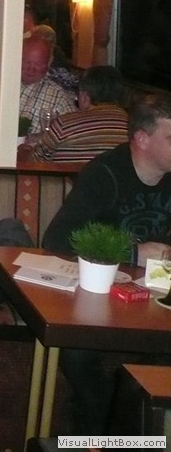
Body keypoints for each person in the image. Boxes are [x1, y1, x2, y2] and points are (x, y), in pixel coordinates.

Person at [42, 94, 171, 435]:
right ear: (142, 139)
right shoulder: (104, 174)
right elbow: (57, 240)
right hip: (96, 299)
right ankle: (103, 433)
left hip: (156, 300)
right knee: (78, 355)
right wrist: (133, 253)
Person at [28, 65, 128, 164]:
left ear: (84, 97)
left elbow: (35, 161)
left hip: (74, 175)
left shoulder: (64, 124)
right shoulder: (130, 125)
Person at [0, 36, 75, 134]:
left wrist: (42, 137)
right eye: (27, 62)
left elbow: (73, 133)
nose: (31, 69)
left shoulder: (58, 98)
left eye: (38, 64)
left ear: (48, 65)